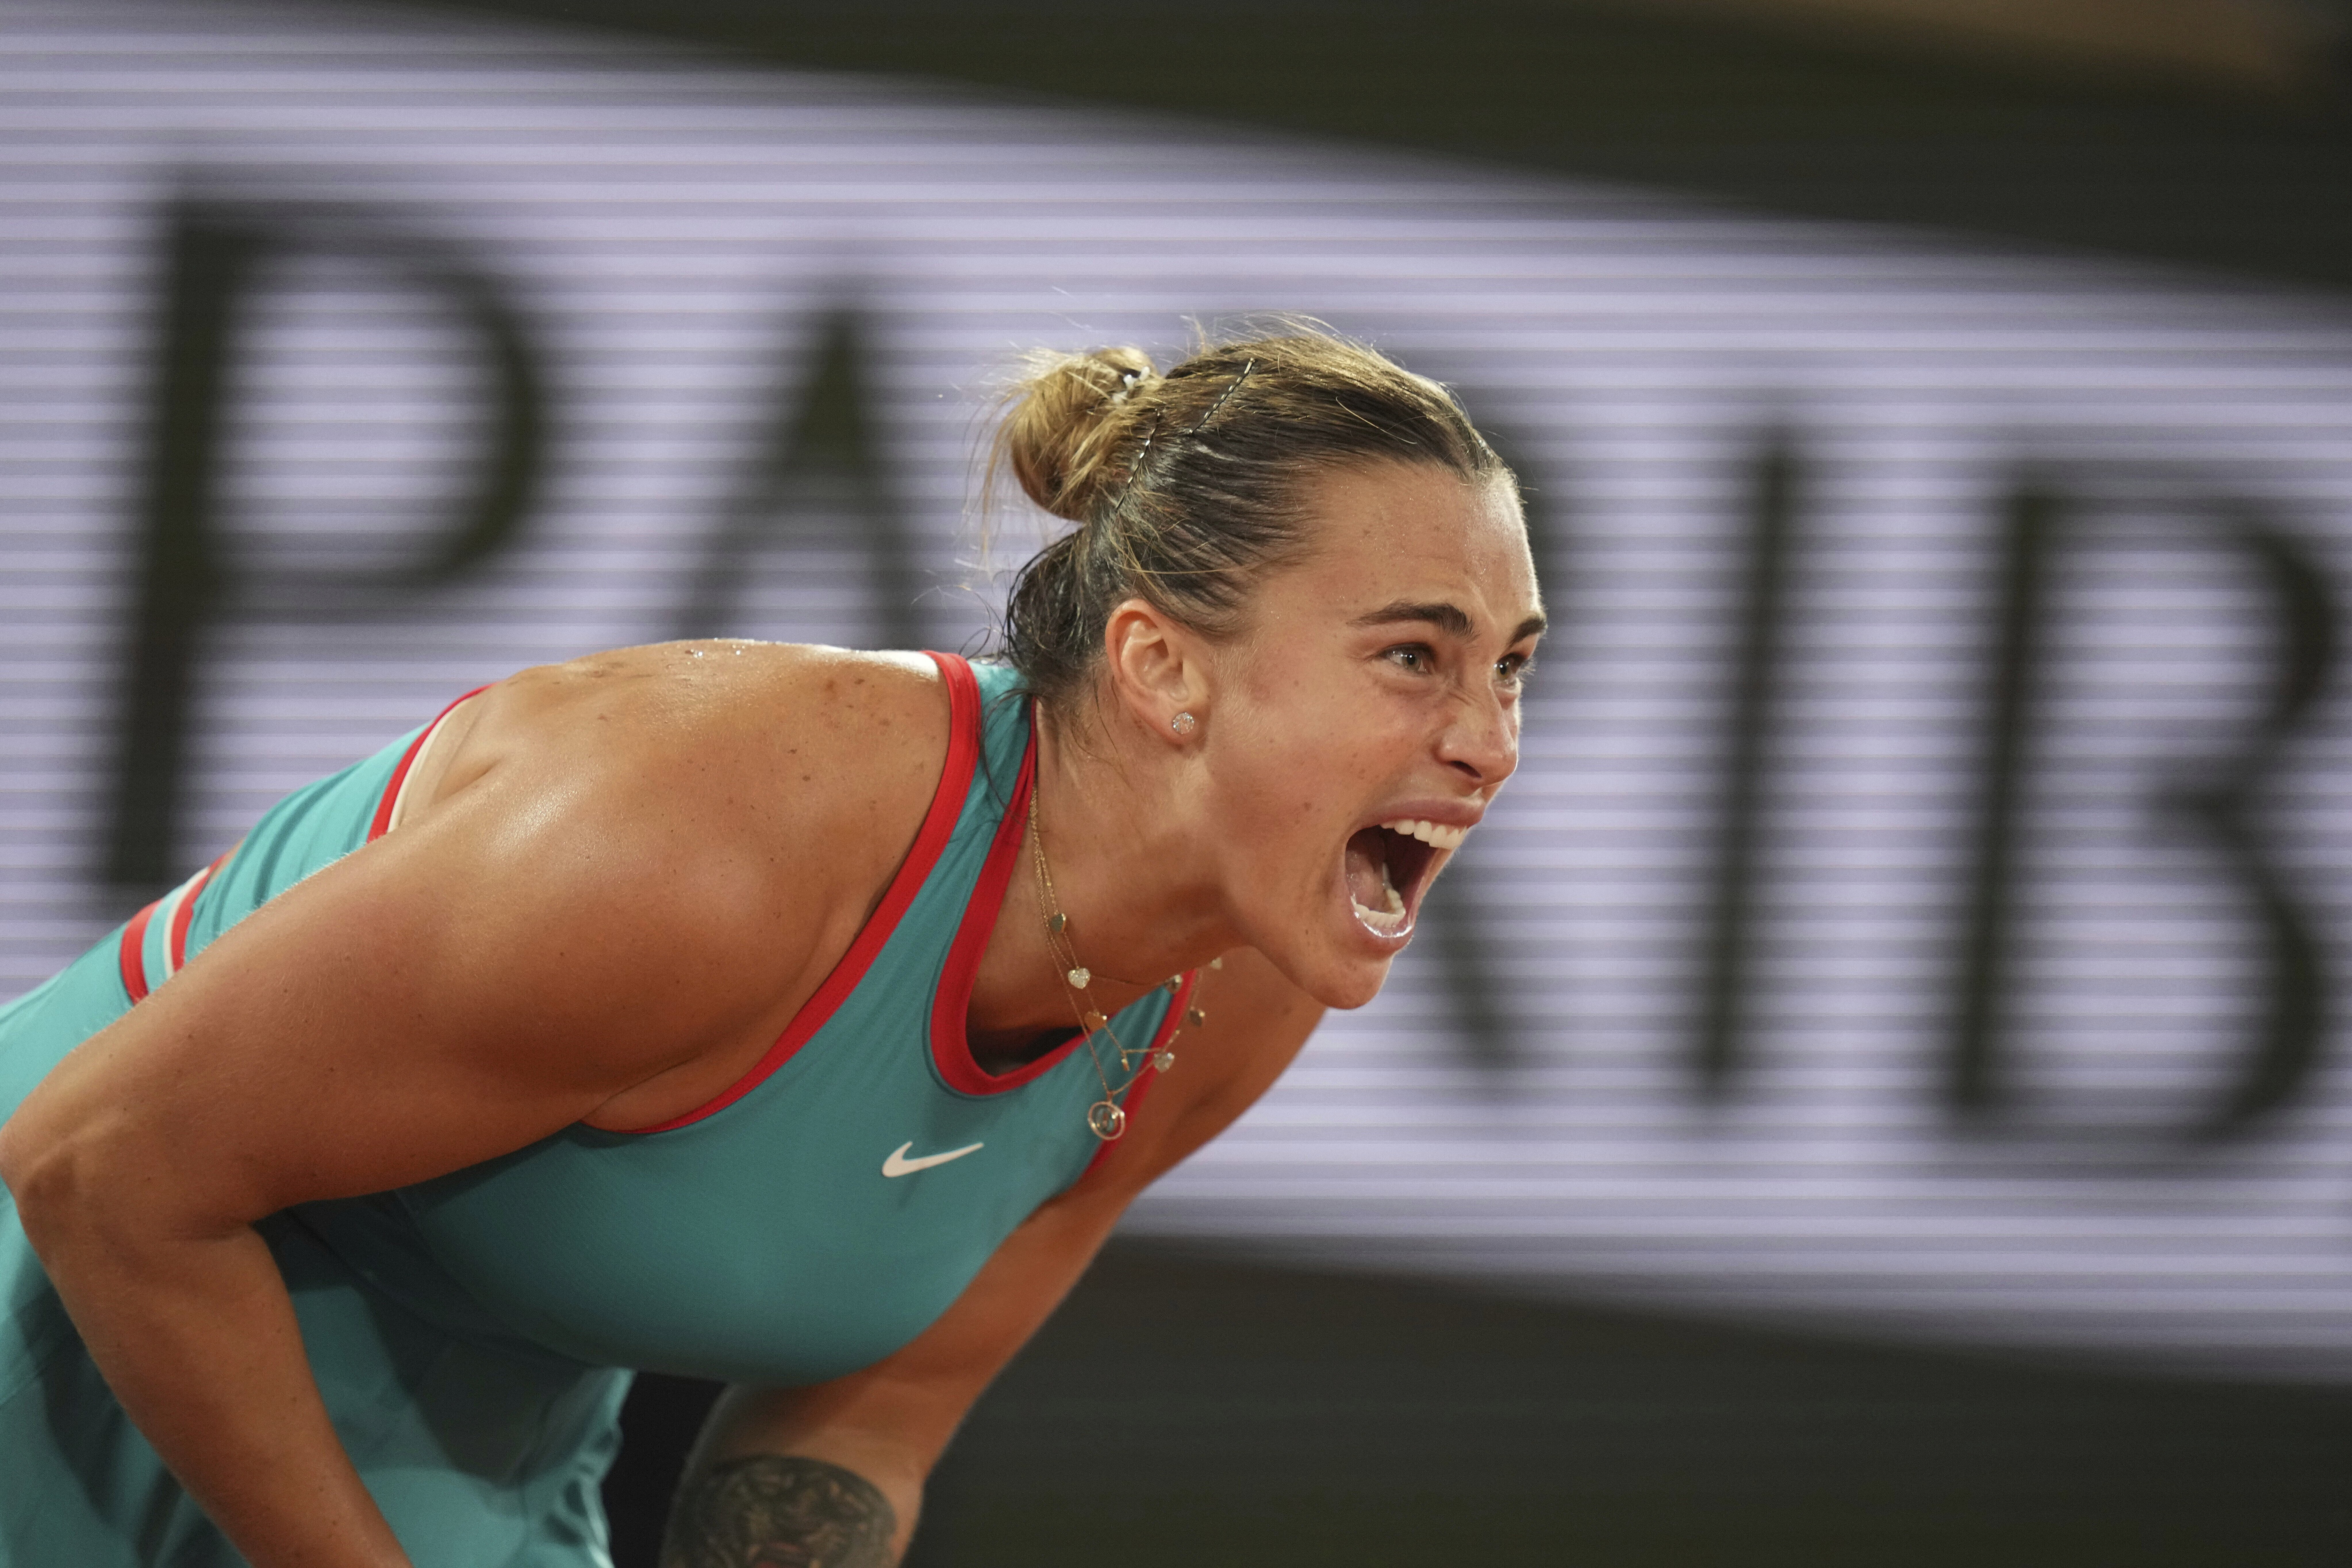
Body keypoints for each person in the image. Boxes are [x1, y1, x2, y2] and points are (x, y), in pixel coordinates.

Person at [0, 326, 1543, 1567]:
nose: (1486, 744)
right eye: (1412, 656)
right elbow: (100, 1165)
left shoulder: (1241, 983)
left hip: (463, 1470)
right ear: (1159, 666)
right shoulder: (708, 843)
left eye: (1512, 669)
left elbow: (856, 1430)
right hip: (55, 1330)